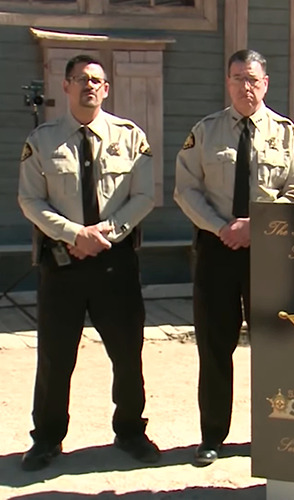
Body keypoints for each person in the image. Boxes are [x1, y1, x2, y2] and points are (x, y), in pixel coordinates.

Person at [17, 54, 159, 471]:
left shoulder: (131, 137)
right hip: (62, 263)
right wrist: (74, 234)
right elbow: (30, 200)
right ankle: (46, 438)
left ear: (107, 89)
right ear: (65, 86)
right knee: (56, 356)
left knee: (127, 352)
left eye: (97, 80)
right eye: (81, 79)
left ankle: (131, 430)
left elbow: (145, 196)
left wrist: (104, 234)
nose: (89, 86)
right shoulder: (41, 141)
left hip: (114, 264)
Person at [173, 49, 294, 465]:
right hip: (217, 250)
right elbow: (186, 188)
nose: (245, 87)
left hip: (270, 251)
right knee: (215, 346)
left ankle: (274, 434)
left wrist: (259, 227)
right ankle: (212, 436)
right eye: (237, 79)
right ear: (227, 83)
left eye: (252, 79)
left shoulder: (287, 134)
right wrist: (223, 228)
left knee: (275, 346)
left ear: (265, 83)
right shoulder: (205, 131)